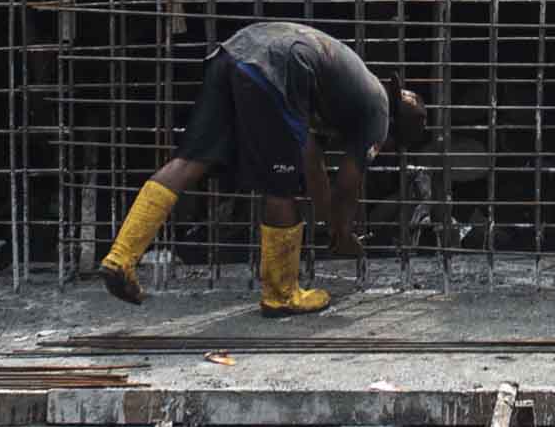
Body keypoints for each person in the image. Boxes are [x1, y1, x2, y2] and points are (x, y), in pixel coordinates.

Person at [96, 21, 422, 315]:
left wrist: (330, 226)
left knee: (189, 161)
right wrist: (343, 234)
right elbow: (348, 184)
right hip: (276, 65)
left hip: (237, 50)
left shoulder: (351, 86)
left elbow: (311, 160)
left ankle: (121, 257)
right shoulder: (378, 114)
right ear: (393, 136)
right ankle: (281, 295)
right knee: (280, 186)